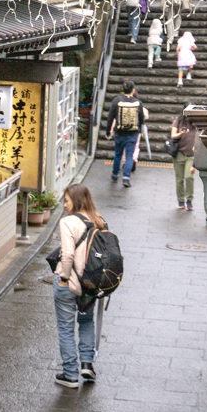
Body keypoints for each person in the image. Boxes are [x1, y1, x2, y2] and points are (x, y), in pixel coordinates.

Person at [53, 183, 105, 388]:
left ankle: (70, 374)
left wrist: (64, 278)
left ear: (76, 201)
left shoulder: (68, 222)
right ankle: (87, 364)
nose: (64, 205)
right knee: (86, 321)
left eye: (66, 200)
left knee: (65, 328)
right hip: (91, 284)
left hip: (71, 283)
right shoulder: (99, 220)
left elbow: (67, 255)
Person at [106, 80, 146, 187]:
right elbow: (141, 119)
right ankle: (126, 178)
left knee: (118, 154)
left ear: (123, 90)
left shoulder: (116, 101)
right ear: (133, 90)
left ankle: (115, 175)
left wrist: (108, 131)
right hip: (133, 134)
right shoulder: (138, 103)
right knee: (129, 156)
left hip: (119, 132)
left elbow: (110, 117)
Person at [170, 112, 197, 209]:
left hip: (191, 155)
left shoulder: (196, 122)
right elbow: (173, 135)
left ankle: (189, 200)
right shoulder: (178, 121)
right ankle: (180, 201)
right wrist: (180, 133)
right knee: (179, 178)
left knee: (189, 176)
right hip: (179, 153)